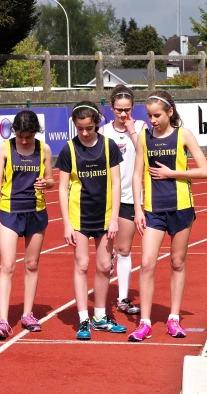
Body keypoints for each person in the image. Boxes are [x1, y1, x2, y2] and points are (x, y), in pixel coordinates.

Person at [128, 91, 207, 341]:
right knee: (146, 264)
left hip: (181, 207)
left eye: (157, 115)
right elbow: (136, 173)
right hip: (153, 210)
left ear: (170, 112)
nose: (152, 120)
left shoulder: (183, 135)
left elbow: (205, 171)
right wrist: (138, 208)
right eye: (149, 116)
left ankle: (173, 319)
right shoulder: (144, 136)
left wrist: (172, 173)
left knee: (177, 263)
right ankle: (144, 322)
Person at [57, 101, 127, 341]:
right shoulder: (69, 149)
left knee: (105, 266)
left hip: (105, 216)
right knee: (82, 264)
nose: (84, 133)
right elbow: (63, 187)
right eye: (80, 129)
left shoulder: (109, 147)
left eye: (88, 128)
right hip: (79, 216)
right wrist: (66, 223)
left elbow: (116, 183)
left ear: (96, 124)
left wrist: (115, 217)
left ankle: (99, 316)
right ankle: (83, 318)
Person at [0, 110, 54, 340]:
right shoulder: (3, 148)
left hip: (36, 212)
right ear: (14, 131)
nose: (24, 140)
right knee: (7, 266)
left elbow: (51, 180)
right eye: (20, 135)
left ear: (35, 133)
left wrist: (45, 183)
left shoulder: (43, 149)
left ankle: (28, 314)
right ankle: (4, 320)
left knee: (32, 264)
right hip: (9, 211)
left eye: (28, 136)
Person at [99, 85, 146, 315]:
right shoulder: (104, 131)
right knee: (106, 256)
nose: (123, 114)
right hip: (107, 199)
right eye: (118, 110)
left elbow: (145, 153)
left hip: (129, 197)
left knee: (125, 249)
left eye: (127, 109)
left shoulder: (140, 128)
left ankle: (124, 298)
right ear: (111, 108)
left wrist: (131, 131)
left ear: (133, 108)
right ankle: (102, 299)